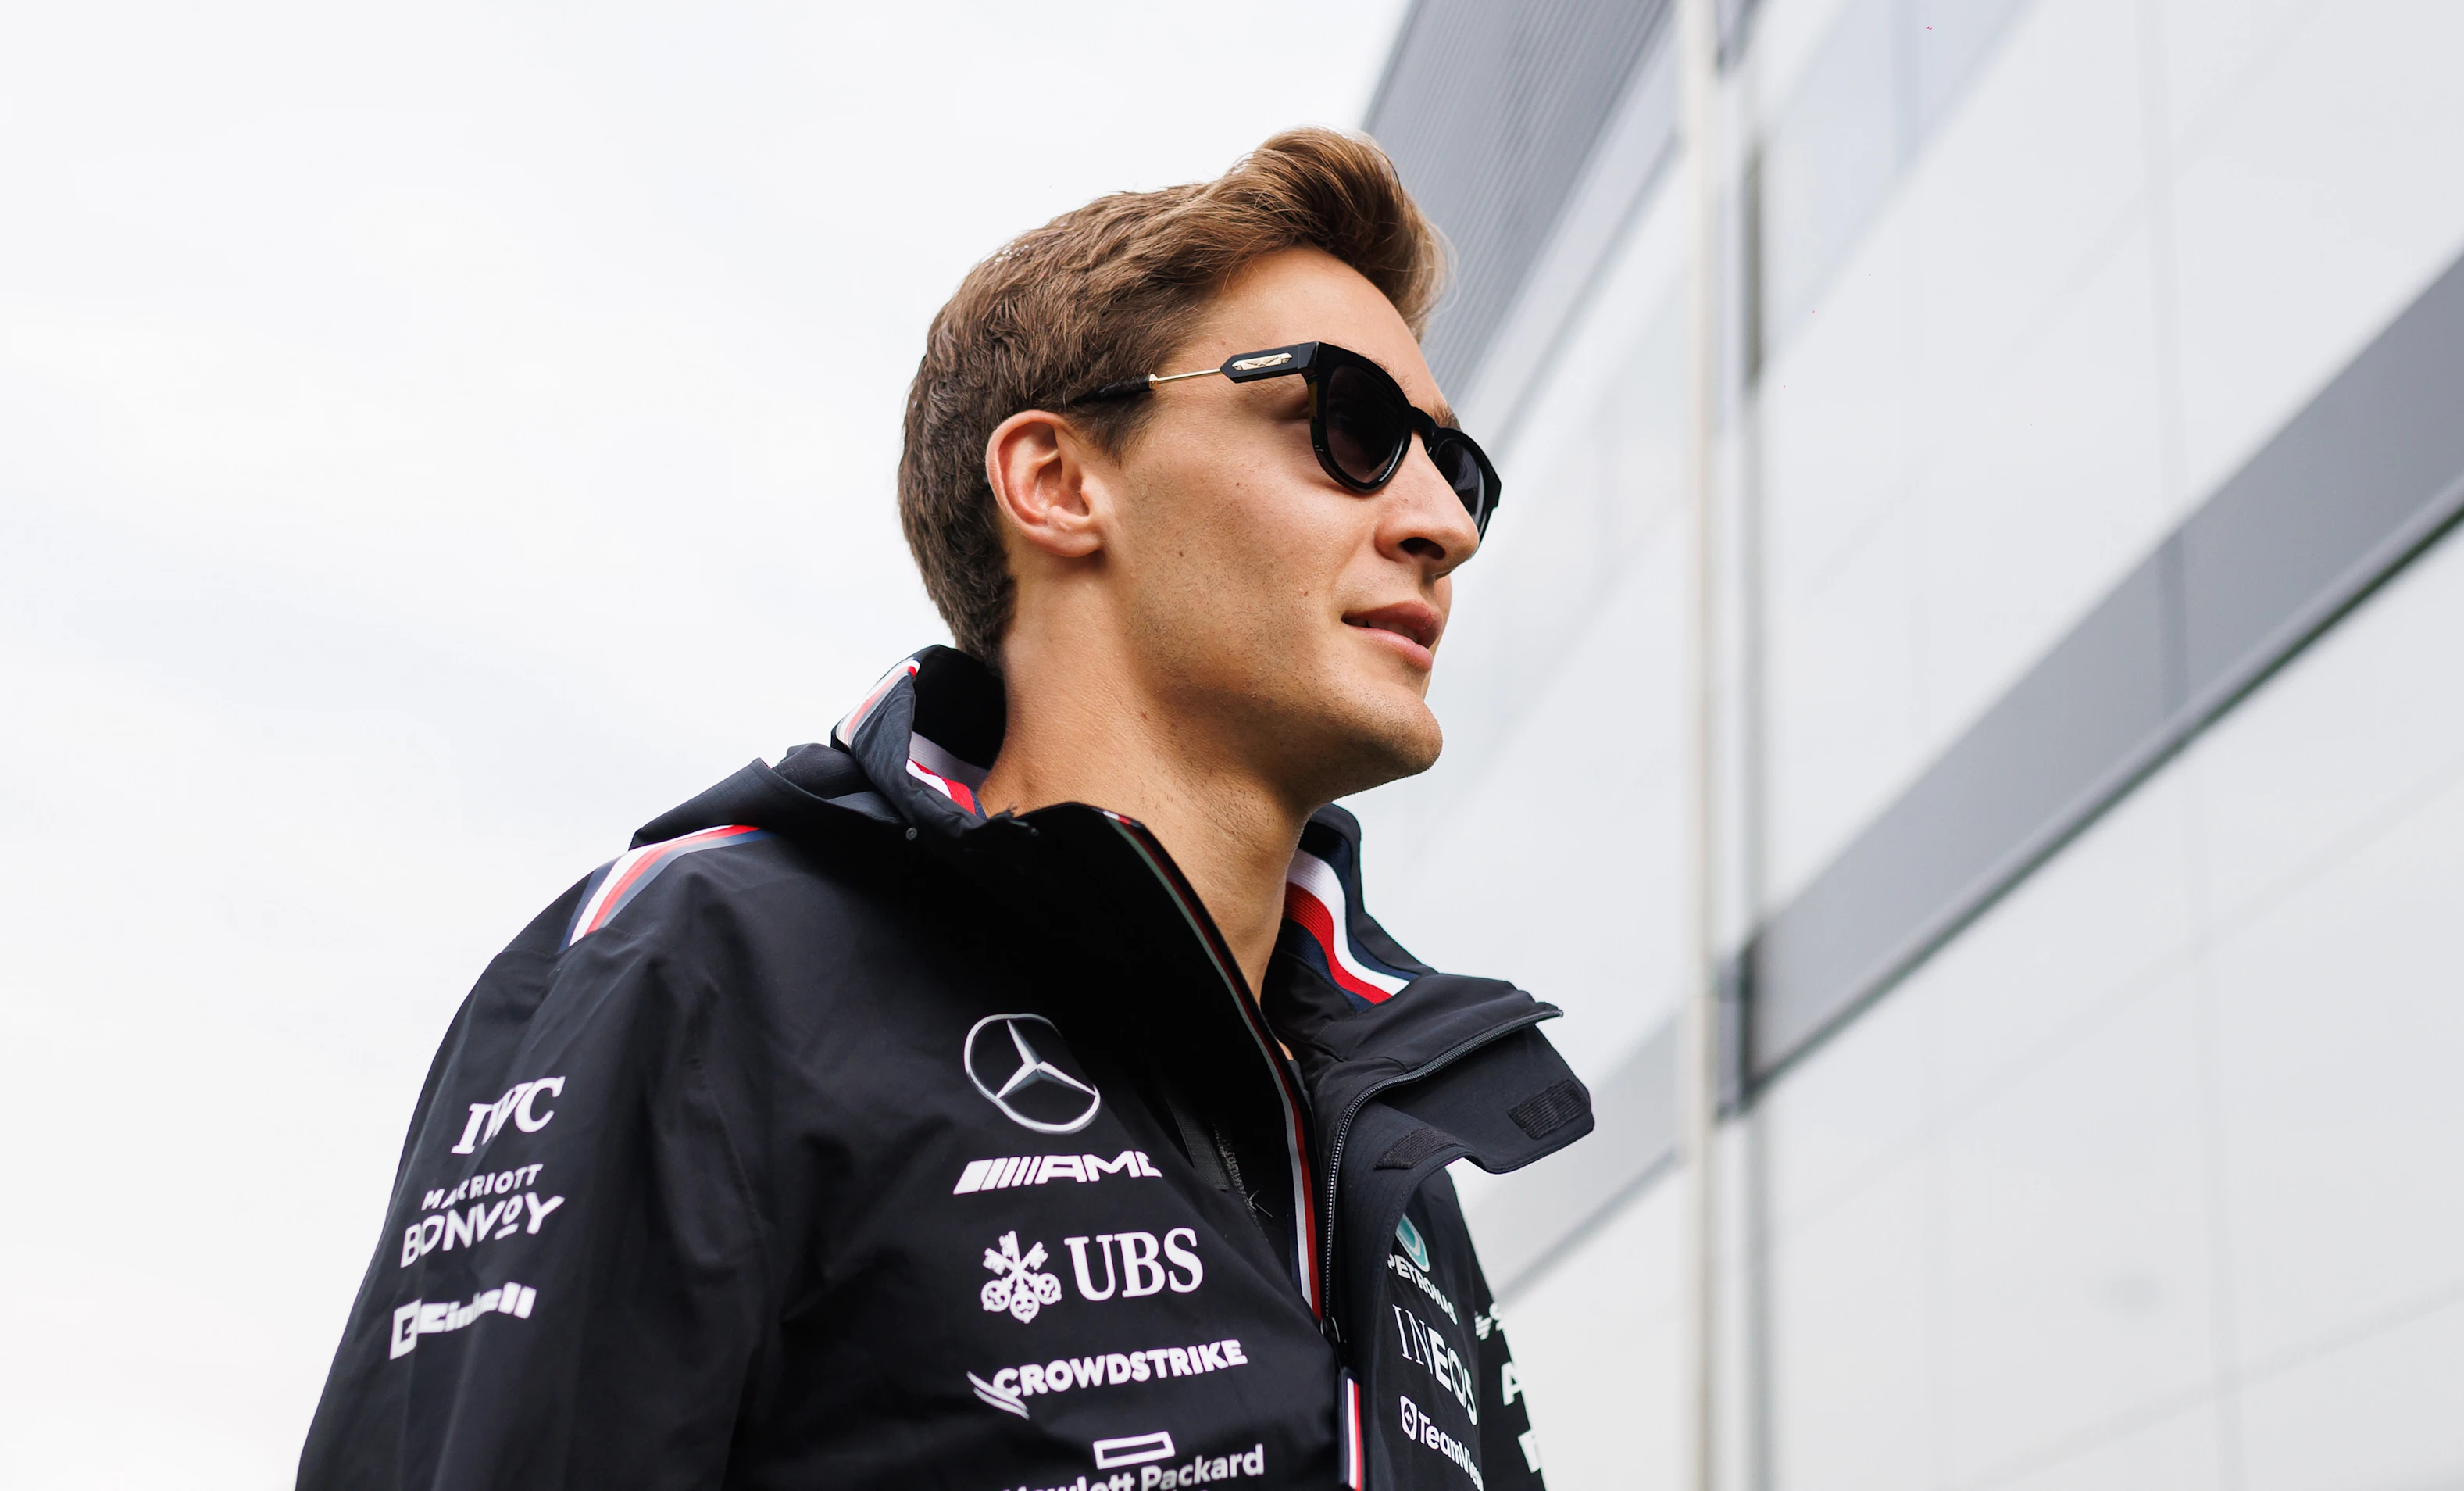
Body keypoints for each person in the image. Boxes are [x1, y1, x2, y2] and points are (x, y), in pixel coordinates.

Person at [298, 127, 1591, 1491]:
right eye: (1354, 427)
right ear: (1056, 481)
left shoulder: (1382, 1134)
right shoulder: (712, 966)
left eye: (1460, 471)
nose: (1440, 519)